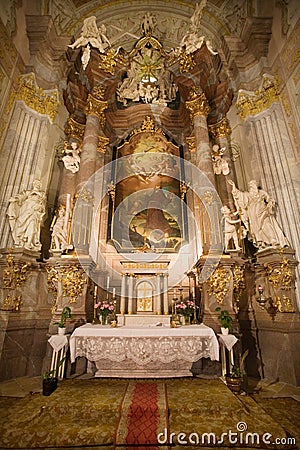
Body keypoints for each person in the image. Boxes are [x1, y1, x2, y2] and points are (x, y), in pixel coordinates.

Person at [228, 179, 289, 249]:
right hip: (253, 214)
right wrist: (233, 186)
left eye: (253, 185)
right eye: (250, 186)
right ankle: (262, 243)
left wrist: (270, 203)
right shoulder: (248, 194)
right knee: (256, 229)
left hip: (262, 211)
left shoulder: (261, 193)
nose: (252, 187)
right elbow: (239, 195)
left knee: (266, 224)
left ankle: (273, 240)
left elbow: (269, 199)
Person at [7, 180, 46, 251]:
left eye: (38, 184)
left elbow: (42, 202)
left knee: (33, 224)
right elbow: (21, 196)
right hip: (25, 210)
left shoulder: (42, 194)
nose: (37, 184)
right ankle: (21, 240)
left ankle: (28, 242)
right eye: (35, 183)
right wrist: (15, 199)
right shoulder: (27, 192)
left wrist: (37, 195)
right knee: (20, 225)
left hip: (34, 212)